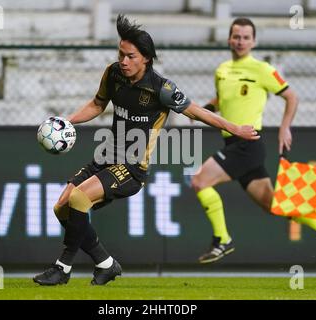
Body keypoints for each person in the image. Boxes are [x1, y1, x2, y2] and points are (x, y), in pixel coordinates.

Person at [33, 14, 259, 286]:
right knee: (62, 208)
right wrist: (68, 122)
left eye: (130, 56)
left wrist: (235, 128)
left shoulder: (161, 88)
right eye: (121, 54)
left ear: (146, 59)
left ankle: (62, 269)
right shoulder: (113, 73)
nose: (123, 61)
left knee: (79, 199)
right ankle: (106, 264)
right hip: (106, 157)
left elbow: (197, 112)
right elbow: (97, 104)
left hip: (131, 168)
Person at [191, 17, 316, 264]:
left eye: (246, 37)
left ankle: (222, 239)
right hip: (233, 144)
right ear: (229, 39)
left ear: (254, 41)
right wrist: (204, 109)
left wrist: (285, 128)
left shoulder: (263, 69)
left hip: (248, 144)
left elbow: (292, 97)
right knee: (272, 204)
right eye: (236, 36)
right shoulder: (222, 70)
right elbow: (221, 98)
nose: (240, 41)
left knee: (199, 181)